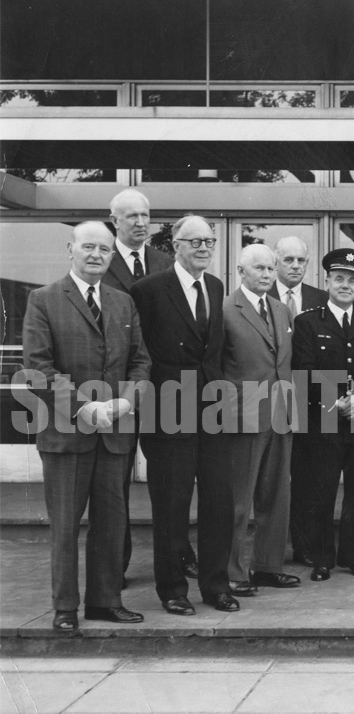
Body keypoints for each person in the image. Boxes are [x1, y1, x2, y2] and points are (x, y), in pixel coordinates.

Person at [20, 222, 150, 632]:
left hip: (114, 434)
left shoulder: (122, 303)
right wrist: (83, 408)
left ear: (113, 256)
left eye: (104, 249)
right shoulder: (43, 300)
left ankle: (105, 602)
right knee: (65, 527)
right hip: (66, 435)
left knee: (111, 524)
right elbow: (38, 369)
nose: (96, 254)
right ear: (70, 250)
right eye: (88, 247)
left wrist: (127, 400)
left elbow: (141, 361)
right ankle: (64, 609)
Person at [131, 214, 239, 615]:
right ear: (174, 245)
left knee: (218, 502)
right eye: (194, 242)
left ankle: (216, 586)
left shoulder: (214, 285)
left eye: (209, 241)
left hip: (211, 410)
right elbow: (141, 351)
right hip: (168, 411)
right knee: (171, 507)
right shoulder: (148, 289)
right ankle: (173, 589)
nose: (203, 248)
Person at [292, 249, 354, 582]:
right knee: (321, 493)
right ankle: (321, 559)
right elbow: (303, 371)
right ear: (327, 281)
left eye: (351, 280)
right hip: (324, 420)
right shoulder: (307, 321)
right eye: (339, 279)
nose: (345, 285)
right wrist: (339, 400)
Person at [101, 188, 177, 584]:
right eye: (131, 216)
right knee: (116, 483)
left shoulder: (166, 262)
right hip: (118, 392)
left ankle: (179, 555)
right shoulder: (101, 261)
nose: (141, 222)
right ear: (115, 220)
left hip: (164, 392)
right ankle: (117, 563)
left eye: (146, 215)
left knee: (171, 482)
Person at [221, 245, 299, 597]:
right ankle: (233, 572)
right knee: (238, 500)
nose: (267, 274)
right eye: (259, 269)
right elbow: (217, 366)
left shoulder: (282, 311)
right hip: (244, 415)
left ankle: (268, 566)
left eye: (271, 268)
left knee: (276, 495)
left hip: (281, 412)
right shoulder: (225, 309)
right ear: (241, 271)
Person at [269, 236, 328, 568]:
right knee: (273, 477)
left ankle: (304, 545)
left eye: (300, 261)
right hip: (271, 398)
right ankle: (271, 548)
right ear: (276, 262)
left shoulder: (321, 298)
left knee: (307, 477)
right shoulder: (262, 294)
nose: (294, 266)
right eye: (288, 259)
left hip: (311, 402)